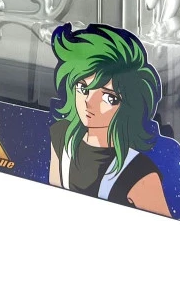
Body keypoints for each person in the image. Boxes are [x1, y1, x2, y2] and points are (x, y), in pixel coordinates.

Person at [48, 23, 171, 216]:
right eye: (83, 87)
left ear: (129, 106)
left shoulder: (139, 172)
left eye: (108, 97)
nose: (89, 102)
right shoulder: (61, 136)